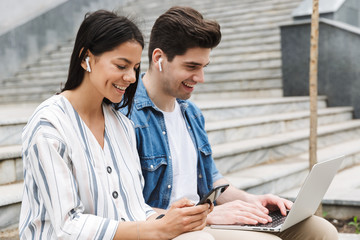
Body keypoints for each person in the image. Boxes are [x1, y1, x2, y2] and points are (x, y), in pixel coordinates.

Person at [122, 6, 338, 240]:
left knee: (320, 231)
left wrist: (252, 200)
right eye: (191, 67)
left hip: (204, 219)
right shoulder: (128, 116)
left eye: (204, 67)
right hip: (168, 226)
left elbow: (212, 180)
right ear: (158, 58)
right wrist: (205, 216)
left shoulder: (191, 112)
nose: (200, 78)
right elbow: (126, 206)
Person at [19, 10, 214, 240]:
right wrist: (155, 229)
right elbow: (68, 226)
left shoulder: (122, 124)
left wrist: (170, 218)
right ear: (86, 58)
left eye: (134, 68)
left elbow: (135, 209)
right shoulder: (49, 125)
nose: (131, 77)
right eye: (121, 66)